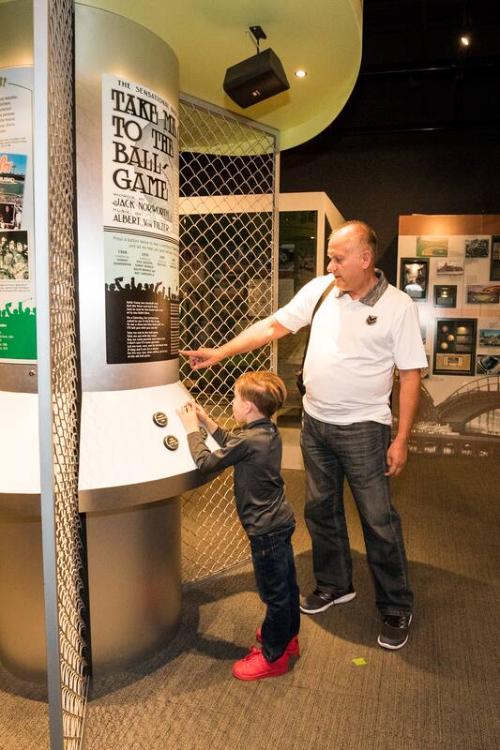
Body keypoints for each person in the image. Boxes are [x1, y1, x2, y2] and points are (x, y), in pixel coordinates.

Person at [181, 220, 428, 650]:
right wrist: (220, 352)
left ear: (365, 259)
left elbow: (409, 376)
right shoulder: (321, 290)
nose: (330, 265)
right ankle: (335, 584)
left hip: (366, 429)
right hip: (315, 424)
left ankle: (395, 605)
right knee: (320, 509)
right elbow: (274, 326)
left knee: (378, 519)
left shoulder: (398, 306)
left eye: (338, 258)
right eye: (329, 257)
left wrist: (401, 438)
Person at [177, 371, 300, 680]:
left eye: (234, 398)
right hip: (279, 523)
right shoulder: (264, 432)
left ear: (247, 408)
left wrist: (192, 430)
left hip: (265, 532)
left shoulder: (249, 440)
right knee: (286, 585)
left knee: (274, 594)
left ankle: (274, 656)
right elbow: (234, 443)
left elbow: (206, 463)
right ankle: (286, 636)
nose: (231, 402)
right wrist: (207, 422)